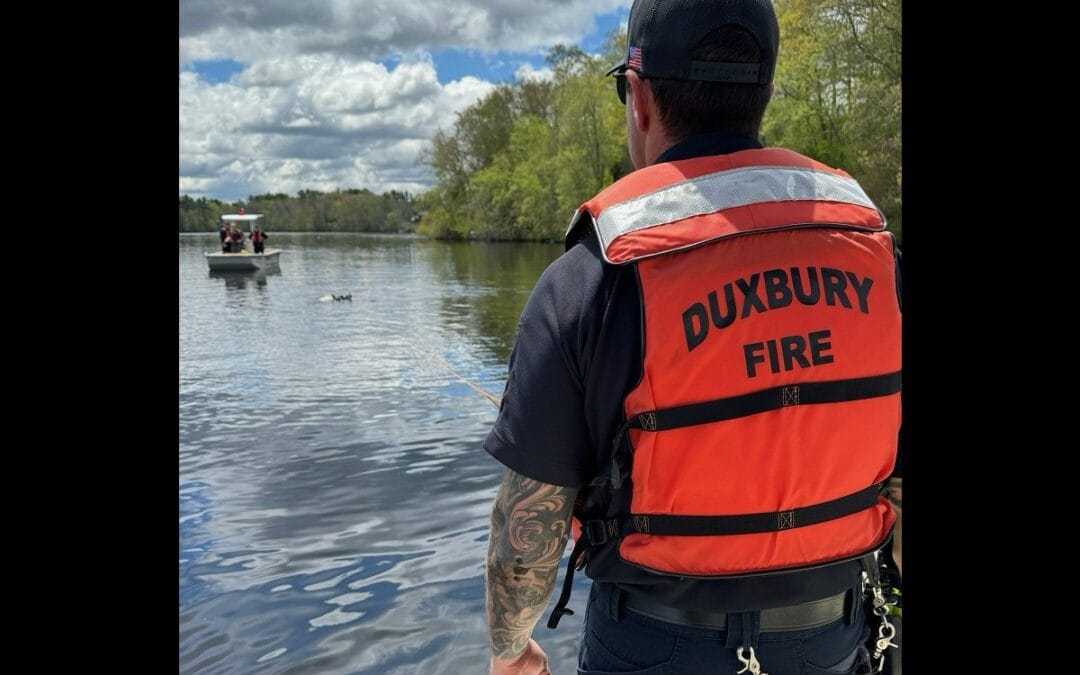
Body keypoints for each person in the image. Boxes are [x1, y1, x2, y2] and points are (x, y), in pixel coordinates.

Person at [483, 2, 902, 674]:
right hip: (829, 637)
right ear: (766, 93)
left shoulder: (587, 279)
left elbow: (526, 527)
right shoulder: (881, 261)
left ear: (640, 98)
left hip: (651, 645)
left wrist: (509, 650)